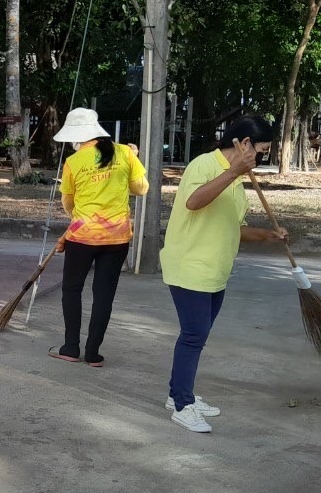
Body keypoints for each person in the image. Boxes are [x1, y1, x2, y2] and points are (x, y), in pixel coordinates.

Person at [160, 117, 287, 433]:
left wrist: (268, 235)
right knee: (193, 336)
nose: (261, 158)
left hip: (216, 270)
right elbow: (193, 202)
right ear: (244, 144)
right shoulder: (204, 165)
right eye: (261, 151)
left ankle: (178, 392)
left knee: (197, 337)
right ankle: (182, 404)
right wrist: (233, 172)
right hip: (190, 266)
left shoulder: (239, 183)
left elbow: (236, 228)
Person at [47, 108, 148, 367]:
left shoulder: (74, 162)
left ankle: (71, 347)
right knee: (103, 294)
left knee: (72, 289)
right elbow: (141, 188)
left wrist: (80, 216)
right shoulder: (125, 153)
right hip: (117, 238)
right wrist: (133, 160)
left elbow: (68, 202)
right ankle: (93, 353)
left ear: (77, 136)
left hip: (81, 237)